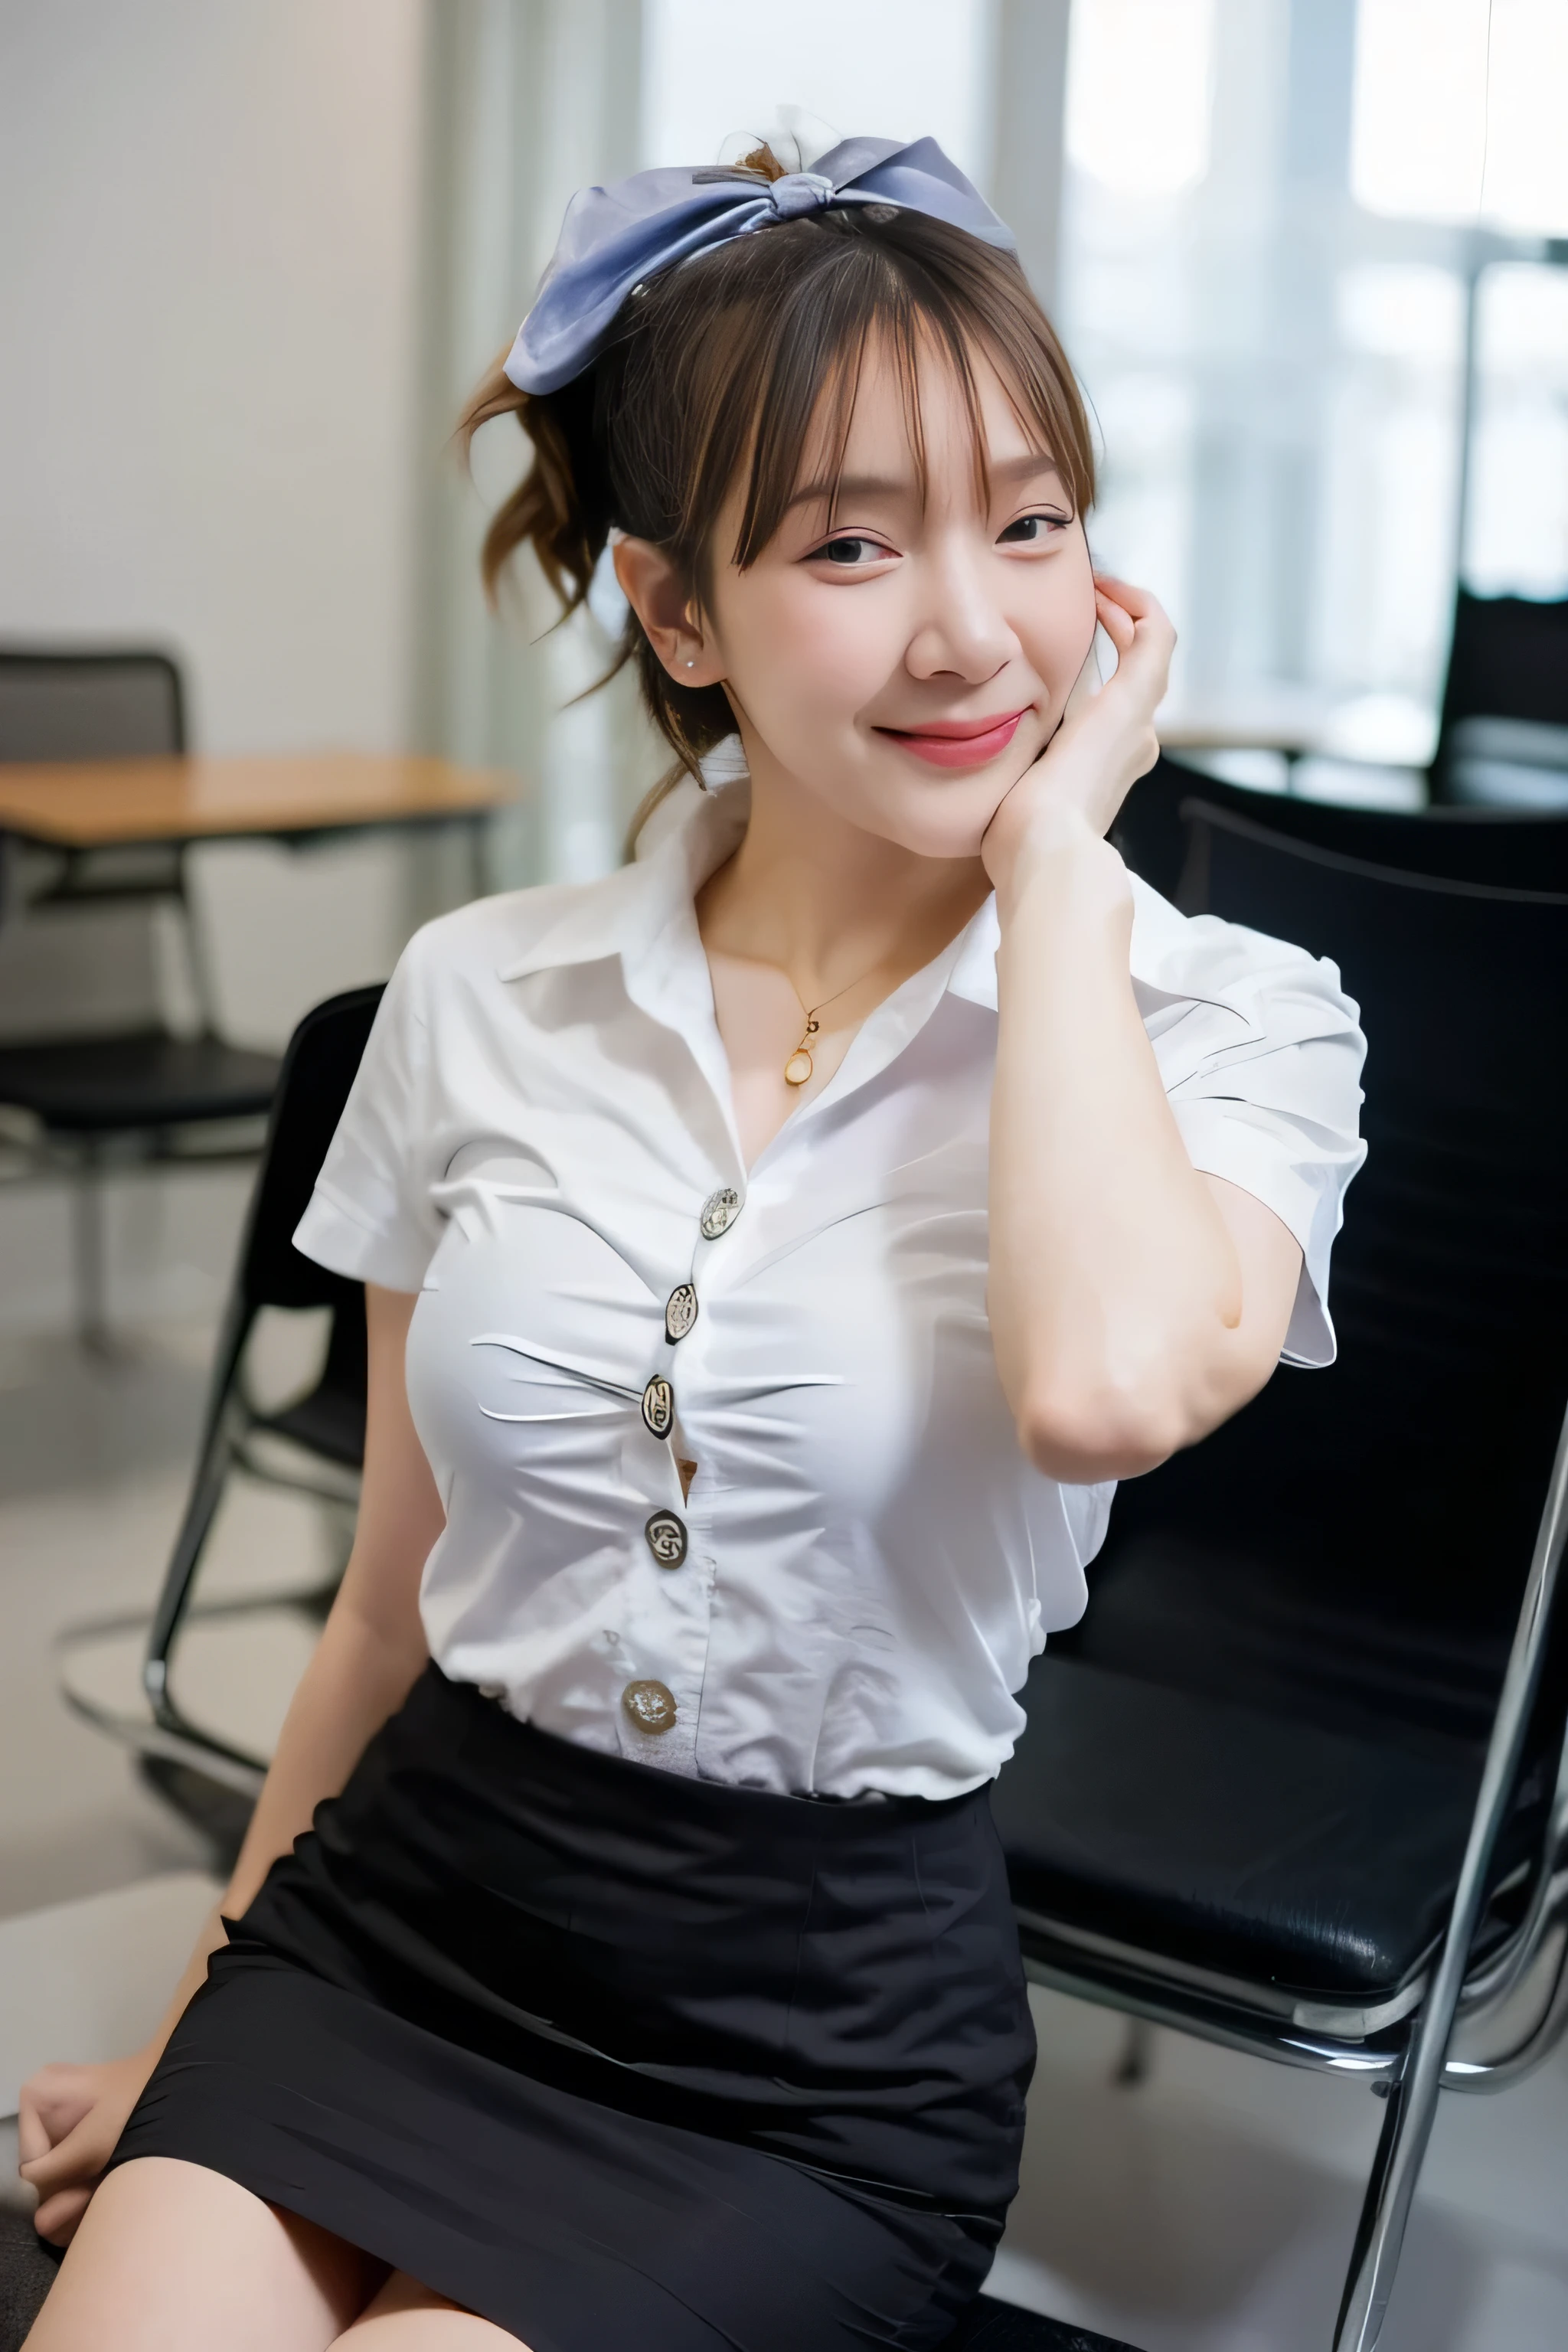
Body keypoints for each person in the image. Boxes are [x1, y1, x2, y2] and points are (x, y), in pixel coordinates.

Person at [16, 136, 1365, 2351]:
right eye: (852, 541)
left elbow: (1105, 1384)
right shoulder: (477, 992)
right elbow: (381, 1612)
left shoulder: (1227, 1022)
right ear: (674, 609)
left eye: (1031, 524)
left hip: (800, 2063)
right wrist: (190, 2021)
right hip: (402, 1927)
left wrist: (1050, 874)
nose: (969, 627)